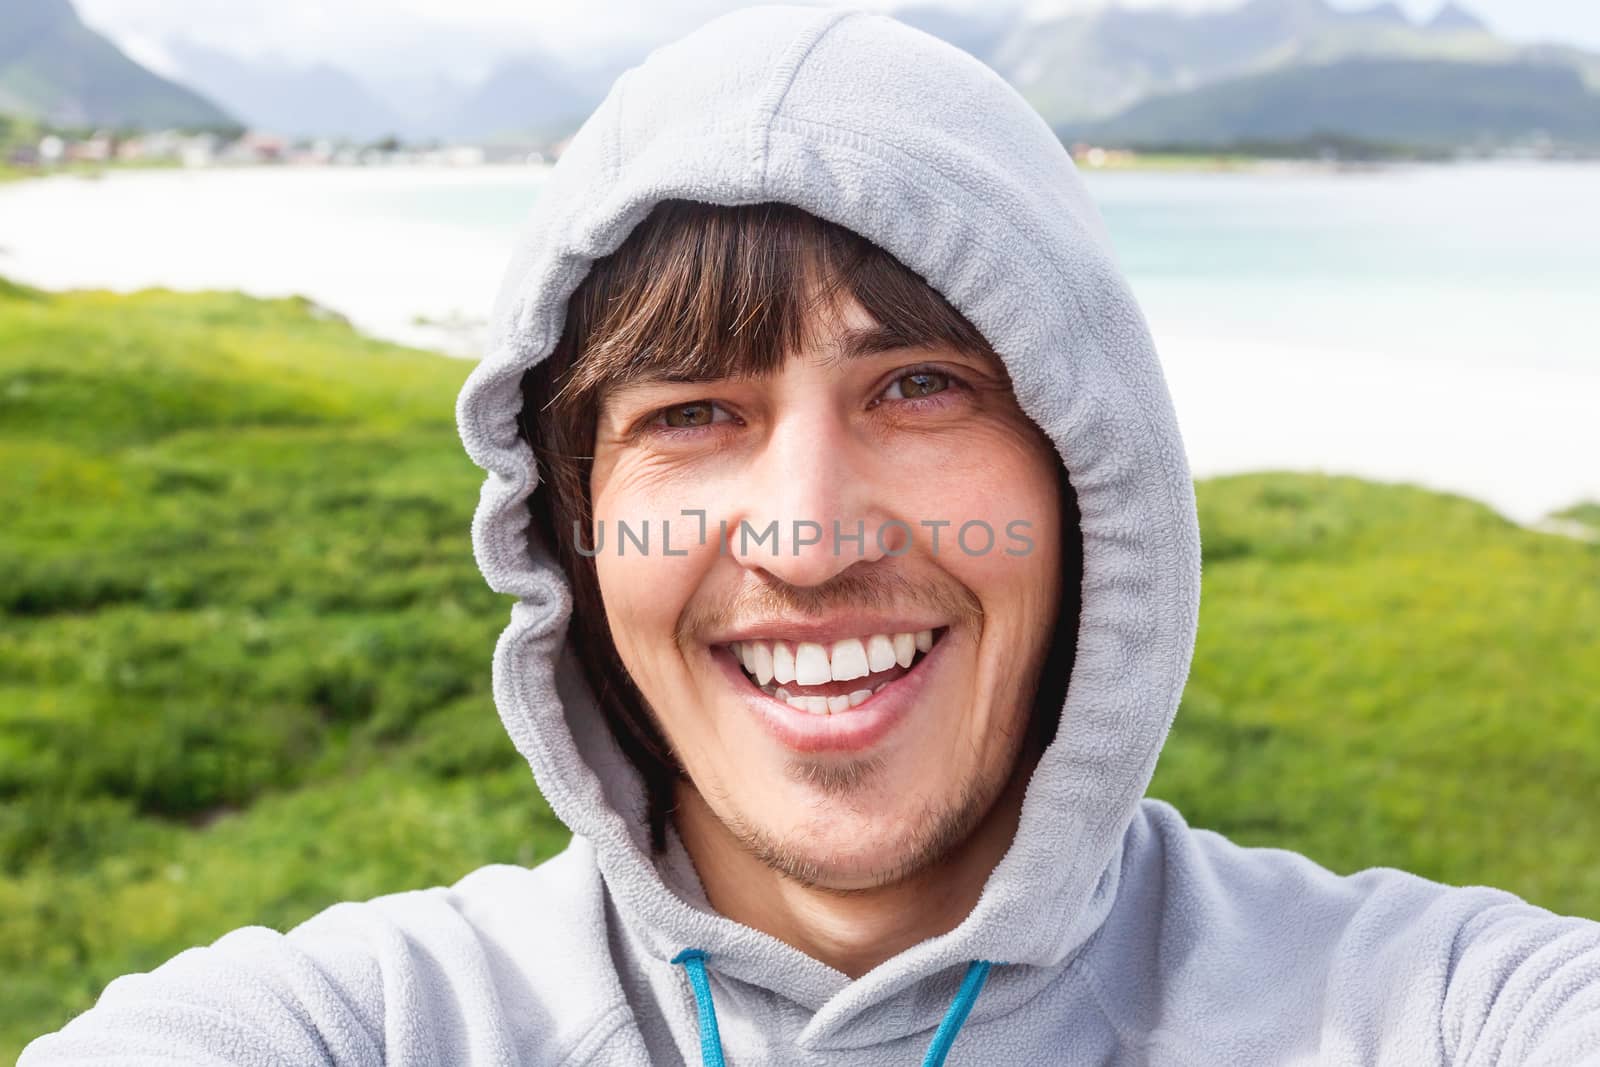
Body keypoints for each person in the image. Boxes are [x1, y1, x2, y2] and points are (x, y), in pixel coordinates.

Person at [21, 5, 1600, 1065]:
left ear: (1087, 476)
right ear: (572, 534)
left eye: (919, 385)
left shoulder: (1426, 1010)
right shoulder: (371, 1024)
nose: (807, 534)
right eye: (688, 413)